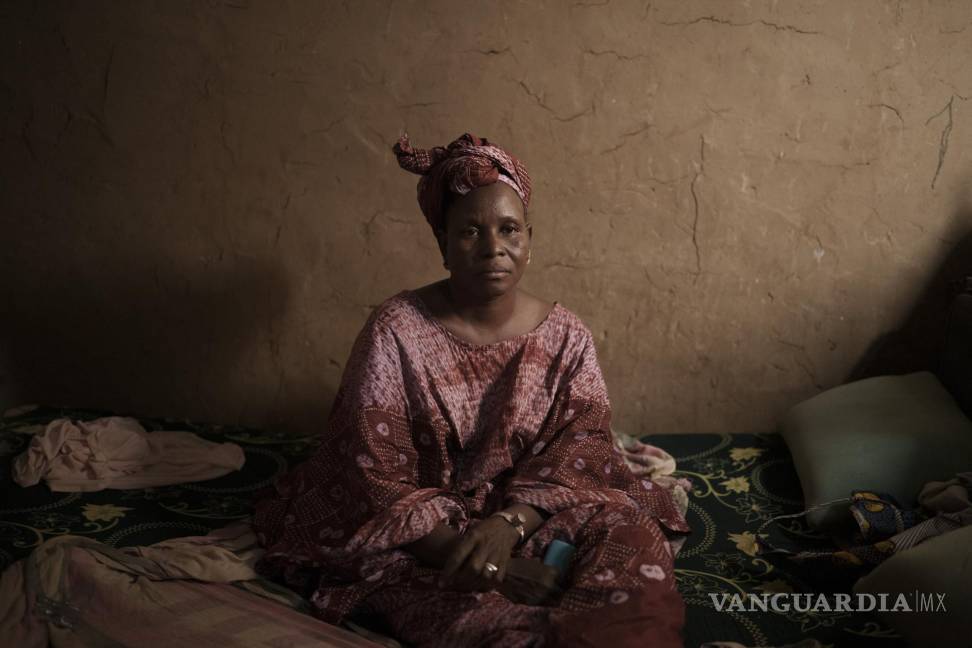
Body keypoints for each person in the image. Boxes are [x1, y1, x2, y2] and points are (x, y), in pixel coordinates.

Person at [252, 132, 691, 647]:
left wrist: (509, 526)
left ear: (530, 239)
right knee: (480, 622)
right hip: (424, 538)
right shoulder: (396, 330)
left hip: (532, 515)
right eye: (470, 233)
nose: (493, 249)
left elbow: (581, 448)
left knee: (629, 538)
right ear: (442, 244)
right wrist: (491, 568)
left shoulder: (567, 335)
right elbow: (373, 477)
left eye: (509, 230)